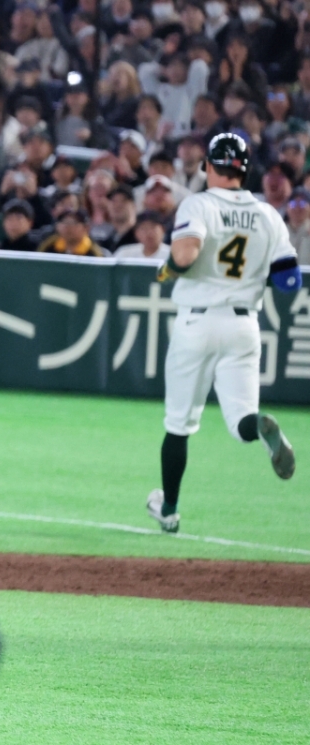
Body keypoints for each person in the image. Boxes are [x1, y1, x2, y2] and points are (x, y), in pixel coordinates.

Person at [149, 133, 300, 533]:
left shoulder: (199, 204)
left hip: (198, 321)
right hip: (243, 324)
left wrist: (169, 269)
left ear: (208, 167)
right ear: (245, 171)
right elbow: (289, 280)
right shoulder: (268, 214)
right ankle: (260, 427)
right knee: (241, 421)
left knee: (179, 425)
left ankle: (170, 510)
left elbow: (184, 255)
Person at [37, 209, 105, 256]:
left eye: (73, 223)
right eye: (64, 222)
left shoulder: (94, 253)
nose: (68, 227)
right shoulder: (48, 246)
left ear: (86, 228)